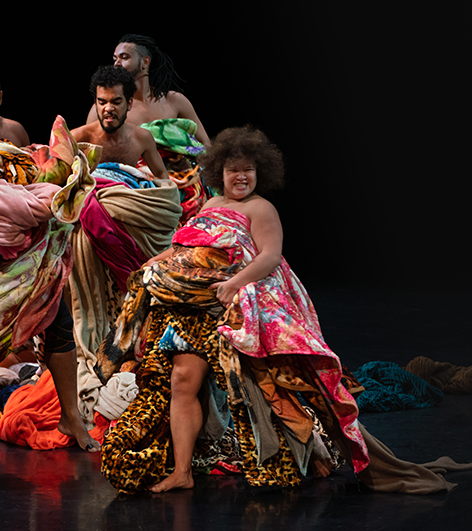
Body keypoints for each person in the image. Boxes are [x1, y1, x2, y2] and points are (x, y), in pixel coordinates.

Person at [98, 127, 368, 494]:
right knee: (181, 383)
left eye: (248, 170)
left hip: (231, 309)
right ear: (218, 173)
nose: (240, 176)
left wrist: (233, 284)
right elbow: (181, 248)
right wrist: (150, 267)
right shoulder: (210, 206)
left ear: (260, 173)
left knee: (267, 390)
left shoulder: (261, 208)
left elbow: (270, 257)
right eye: (232, 169)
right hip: (190, 310)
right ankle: (182, 472)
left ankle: (305, 455)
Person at [83, 34, 209, 147]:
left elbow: (206, 144)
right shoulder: (103, 108)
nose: (116, 64)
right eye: (115, 59)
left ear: (145, 62)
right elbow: (86, 151)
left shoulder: (175, 101)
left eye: (124, 58)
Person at [72, 65, 169, 179]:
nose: (108, 108)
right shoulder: (77, 138)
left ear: (129, 103)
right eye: (102, 102)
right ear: (96, 104)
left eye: (116, 102)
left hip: (129, 194)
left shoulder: (142, 138)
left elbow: (162, 175)